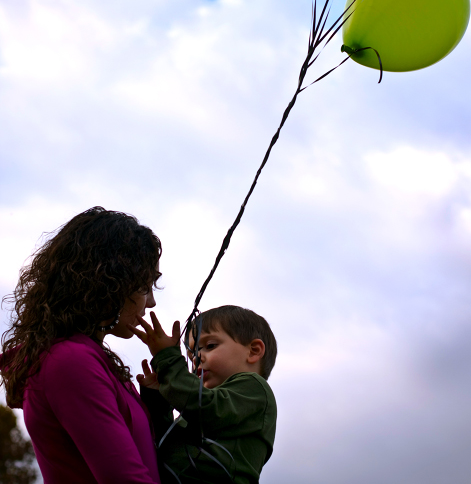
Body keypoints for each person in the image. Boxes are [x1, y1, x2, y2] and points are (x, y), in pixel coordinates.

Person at [0, 206, 163, 484]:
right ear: (110, 283)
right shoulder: (70, 360)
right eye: (144, 287)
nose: (151, 303)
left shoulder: (92, 360)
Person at [131, 305, 278, 484]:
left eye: (210, 346)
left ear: (253, 351)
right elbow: (165, 443)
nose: (197, 358)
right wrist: (157, 400)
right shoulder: (197, 405)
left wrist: (168, 359)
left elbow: (205, 407)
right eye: (191, 354)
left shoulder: (254, 388)